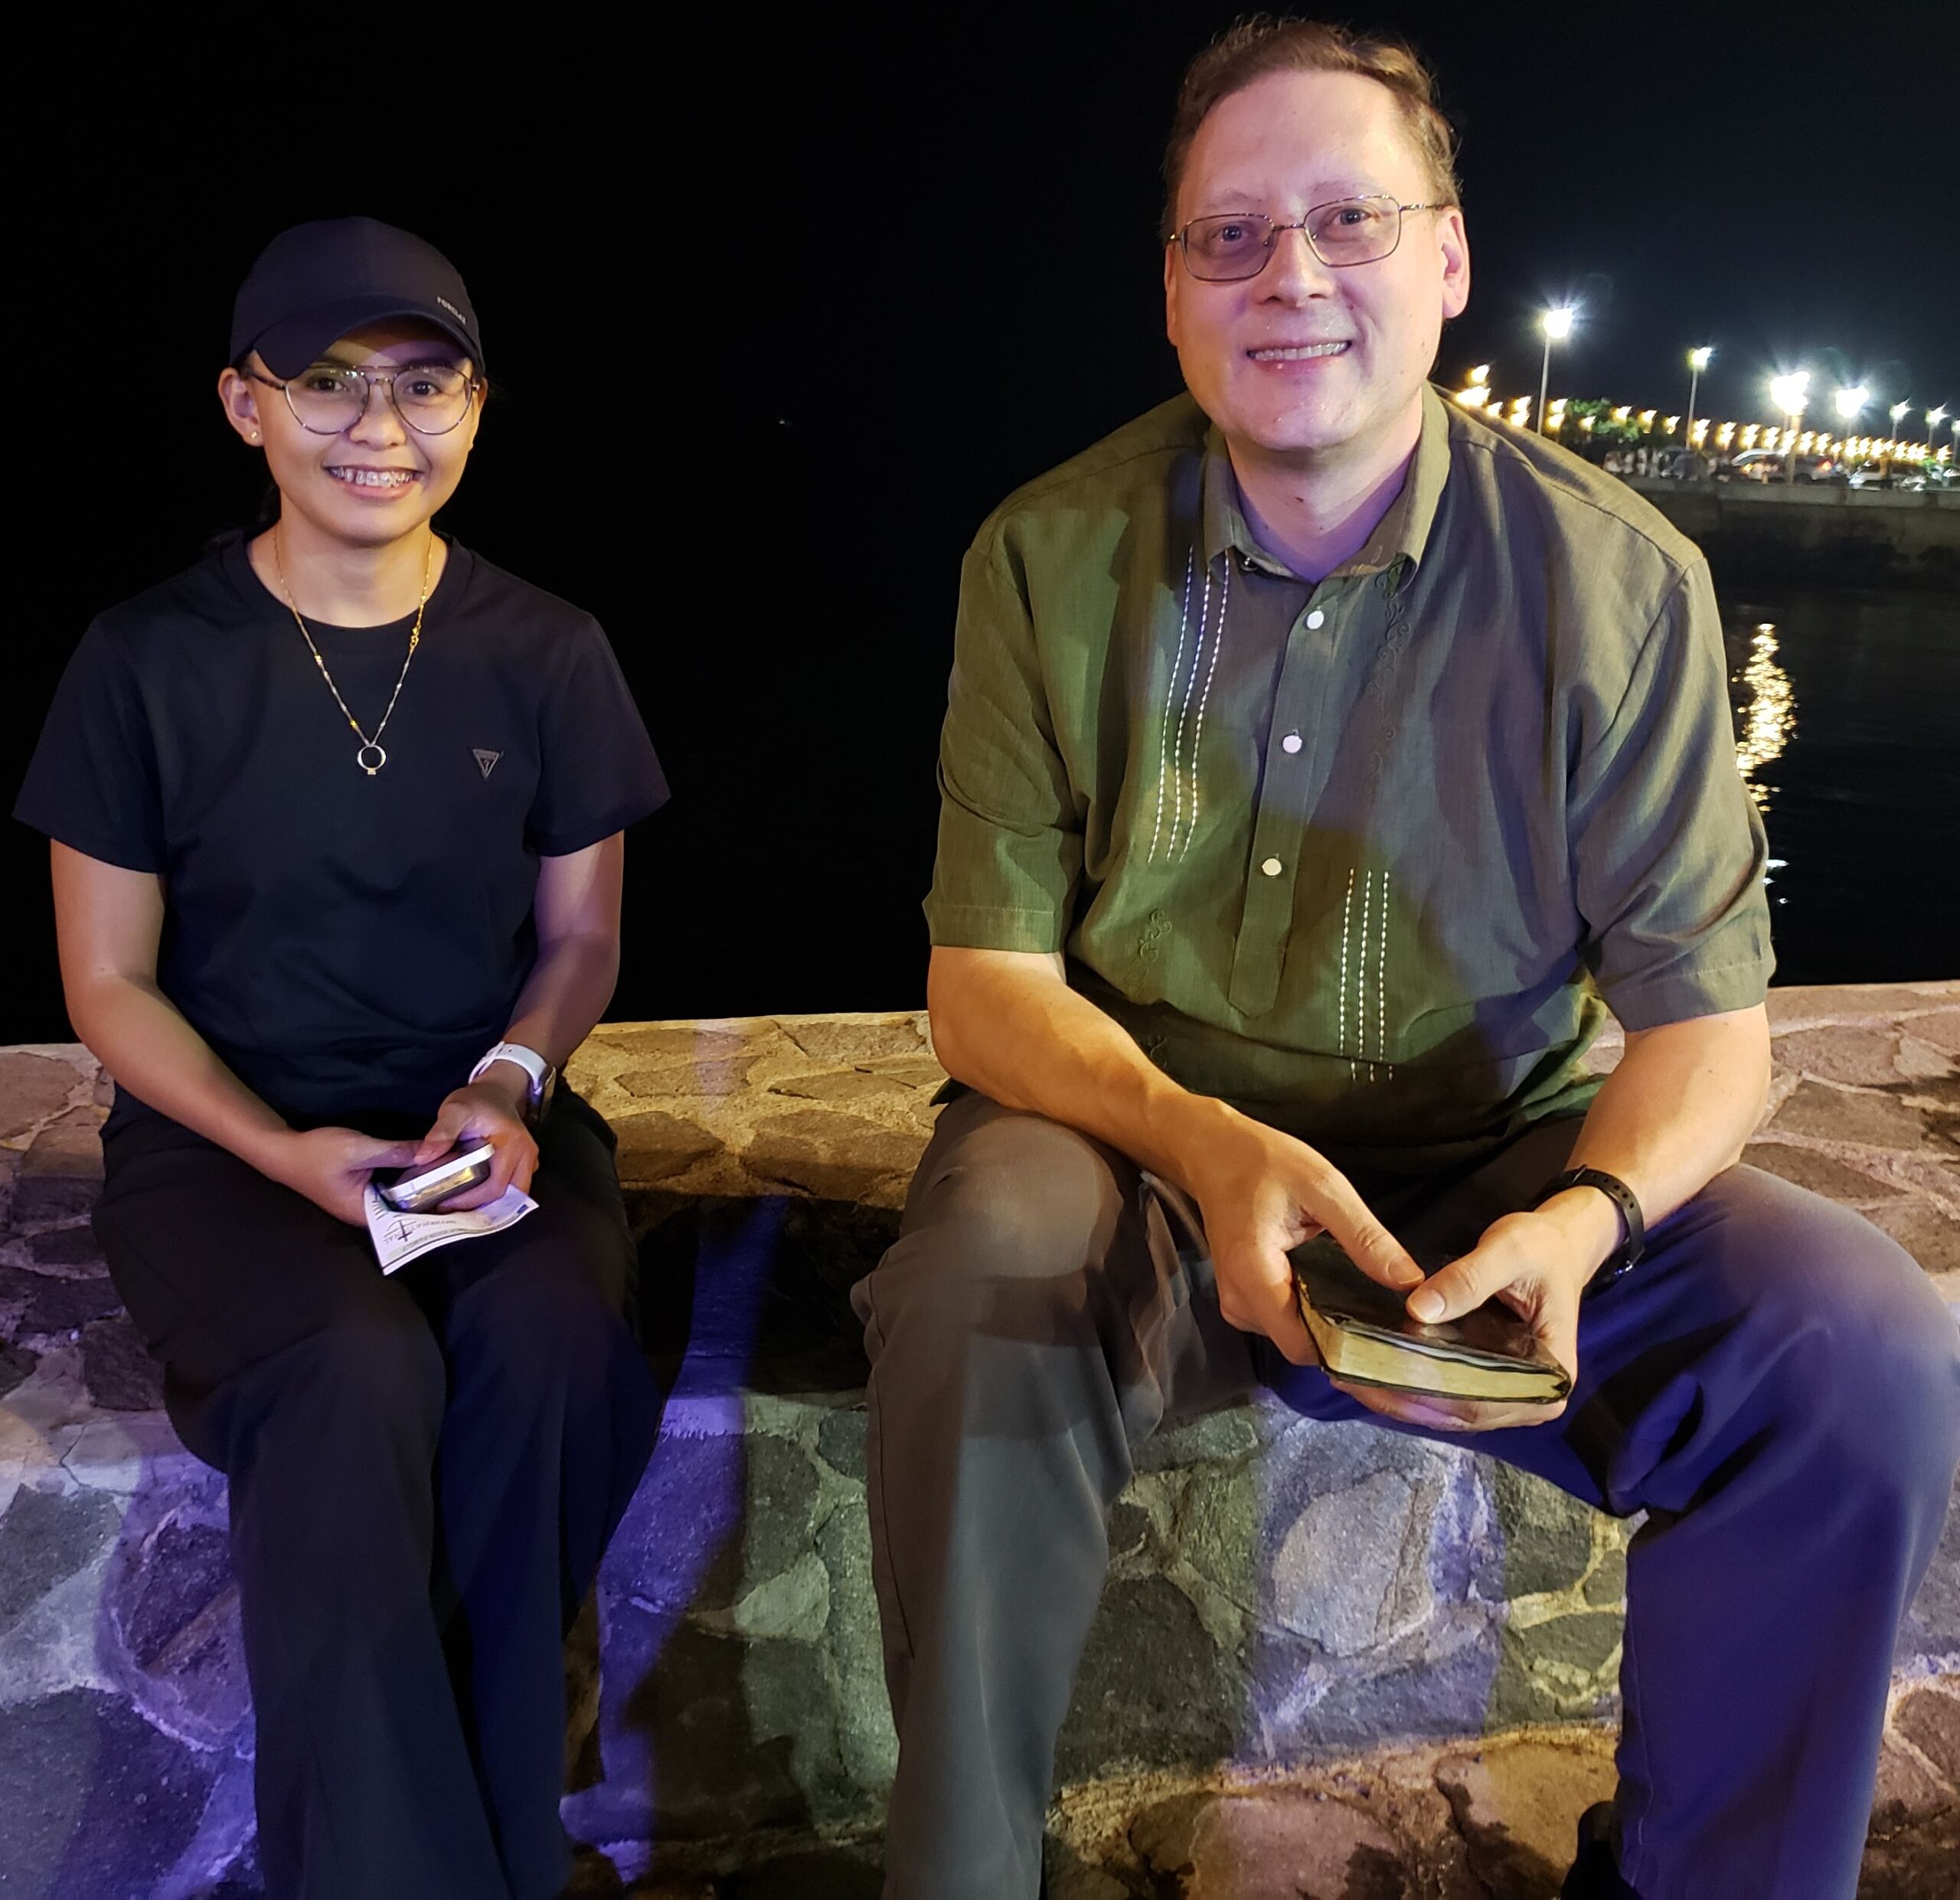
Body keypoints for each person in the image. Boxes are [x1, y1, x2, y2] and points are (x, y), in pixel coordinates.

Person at [850, 22, 1959, 1900]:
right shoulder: (1043, 556)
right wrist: (1203, 1145)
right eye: (1229, 235)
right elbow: (986, 986)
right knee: (977, 1274)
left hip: (1500, 1165)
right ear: (1172, 294)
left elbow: (1706, 1027)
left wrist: (1587, 1219)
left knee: (1855, 1347)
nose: (1288, 274)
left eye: (1347, 220)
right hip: (1142, 1155)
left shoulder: (1616, 584)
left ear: (1446, 261)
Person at [14, 217, 668, 1900]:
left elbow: (581, 940)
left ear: (476, 407)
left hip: (482, 1122)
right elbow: (107, 983)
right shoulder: (146, 659)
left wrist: (508, 1082)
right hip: (224, 1147)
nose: (382, 427)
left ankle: (473, 1854)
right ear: (246, 405)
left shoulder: (548, 649)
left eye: (426, 384)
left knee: (547, 1343)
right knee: (352, 1369)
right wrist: (277, 1147)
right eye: (329, 382)